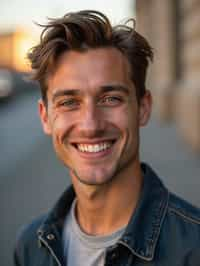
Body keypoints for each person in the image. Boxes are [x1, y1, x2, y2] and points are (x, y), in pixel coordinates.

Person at [14, 10, 200, 266]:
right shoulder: (29, 248)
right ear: (45, 117)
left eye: (111, 99)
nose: (91, 125)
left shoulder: (194, 247)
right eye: (69, 102)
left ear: (143, 108)